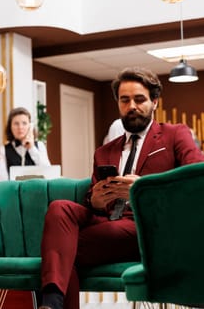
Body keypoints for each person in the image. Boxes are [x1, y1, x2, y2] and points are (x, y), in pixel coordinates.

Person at [39, 67, 204, 309]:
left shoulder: (174, 134)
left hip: (148, 225)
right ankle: (52, 301)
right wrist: (95, 199)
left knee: (64, 249)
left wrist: (143, 190)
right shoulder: (104, 151)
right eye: (125, 100)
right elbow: (94, 203)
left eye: (139, 99)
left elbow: (196, 179)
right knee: (59, 208)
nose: (132, 106)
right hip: (108, 221)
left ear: (154, 101)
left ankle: (51, 301)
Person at [0, 107, 51, 182]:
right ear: (10, 127)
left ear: (30, 126)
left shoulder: (39, 146)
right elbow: (3, 182)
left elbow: (48, 173)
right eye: (16, 123)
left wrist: (32, 149)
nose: (20, 127)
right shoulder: (4, 149)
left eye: (24, 123)